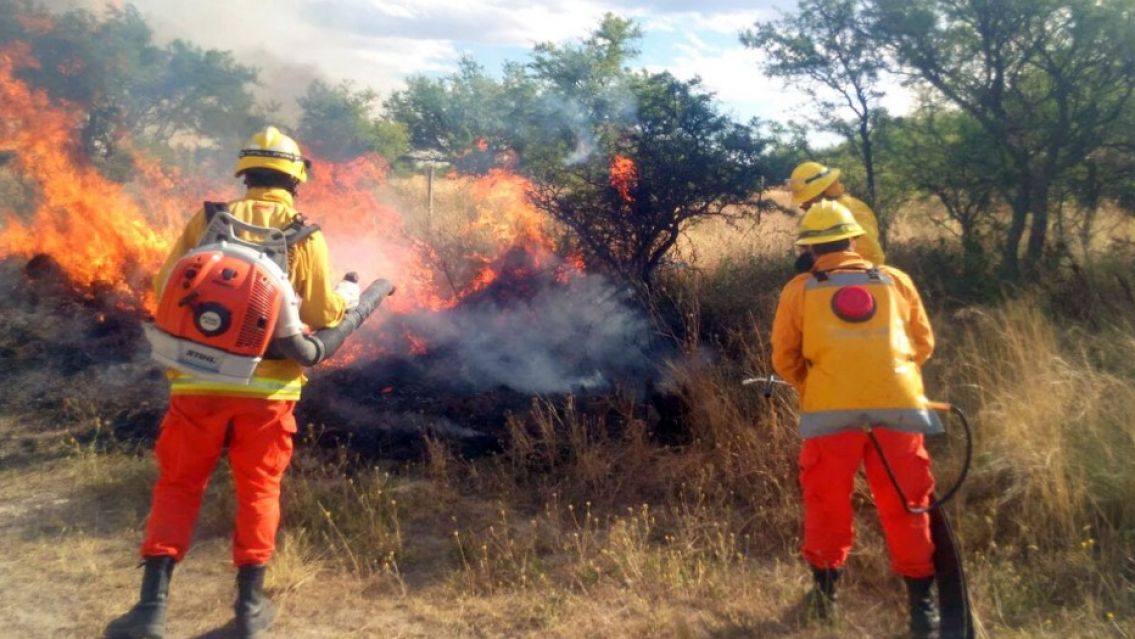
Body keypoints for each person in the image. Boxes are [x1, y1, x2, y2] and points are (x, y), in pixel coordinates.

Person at [106, 126, 359, 639]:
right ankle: (249, 610)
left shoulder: (207, 221)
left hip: (195, 382)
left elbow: (165, 289)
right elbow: (319, 311)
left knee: (178, 485)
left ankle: (151, 611)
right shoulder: (305, 233)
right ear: (295, 178)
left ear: (245, 174)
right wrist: (348, 297)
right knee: (259, 488)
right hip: (269, 391)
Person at [770, 199, 940, 637]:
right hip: (899, 409)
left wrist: (820, 385)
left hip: (829, 414)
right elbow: (923, 345)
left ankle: (825, 600)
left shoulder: (798, 290)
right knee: (908, 503)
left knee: (827, 503)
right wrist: (887, 375)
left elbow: (785, 359)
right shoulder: (896, 280)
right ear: (854, 239)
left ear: (810, 249)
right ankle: (923, 610)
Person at [787, 161, 885, 268]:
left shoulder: (852, 210)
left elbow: (868, 252)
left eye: (808, 199)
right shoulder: (816, 214)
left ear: (824, 190)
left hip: (862, 275)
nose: (803, 205)